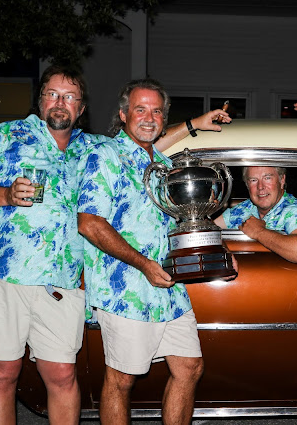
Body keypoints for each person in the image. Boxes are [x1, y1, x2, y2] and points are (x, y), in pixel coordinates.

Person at [77, 78, 231, 425]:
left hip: (169, 286)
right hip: (125, 288)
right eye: (140, 110)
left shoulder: (161, 162)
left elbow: (185, 218)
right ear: (123, 114)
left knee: (189, 367)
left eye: (157, 111)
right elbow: (89, 223)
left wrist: (217, 247)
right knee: (122, 379)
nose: (149, 118)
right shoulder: (105, 155)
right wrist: (144, 264)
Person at [0, 65, 96, 425]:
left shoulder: (91, 149)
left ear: (81, 108)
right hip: (2, 273)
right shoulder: (5, 136)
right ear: (40, 100)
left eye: (69, 97)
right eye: (52, 94)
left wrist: (191, 125)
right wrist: (5, 194)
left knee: (62, 373)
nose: (60, 102)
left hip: (60, 280)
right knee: (3, 371)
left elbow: (140, 146)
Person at [213, 166, 297, 264]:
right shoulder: (242, 209)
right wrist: (225, 249)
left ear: (282, 180)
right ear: (247, 185)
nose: (260, 187)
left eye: (267, 178)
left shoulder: (296, 210)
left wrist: (259, 232)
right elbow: (208, 229)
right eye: (253, 180)